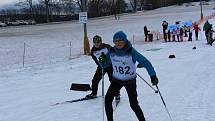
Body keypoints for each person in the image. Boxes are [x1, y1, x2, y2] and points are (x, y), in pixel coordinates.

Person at [99, 31, 159, 121]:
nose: (118, 43)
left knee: (134, 104)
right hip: (116, 80)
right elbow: (104, 65)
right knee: (107, 100)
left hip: (130, 81)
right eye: (116, 41)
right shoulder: (111, 51)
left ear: (125, 40)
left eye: (121, 40)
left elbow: (146, 63)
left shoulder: (131, 51)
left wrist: (153, 75)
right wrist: (102, 59)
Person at [86, 35, 120, 99]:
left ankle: (117, 94)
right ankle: (94, 93)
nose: (96, 44)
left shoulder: (107, 47)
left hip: (110, 66)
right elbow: (96, 60)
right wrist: (100, 63)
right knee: (95, 80)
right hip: (101, 67)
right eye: (95, 43)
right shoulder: (93, 50)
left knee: (112, 80)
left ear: (100, 42)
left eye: (98, 42)